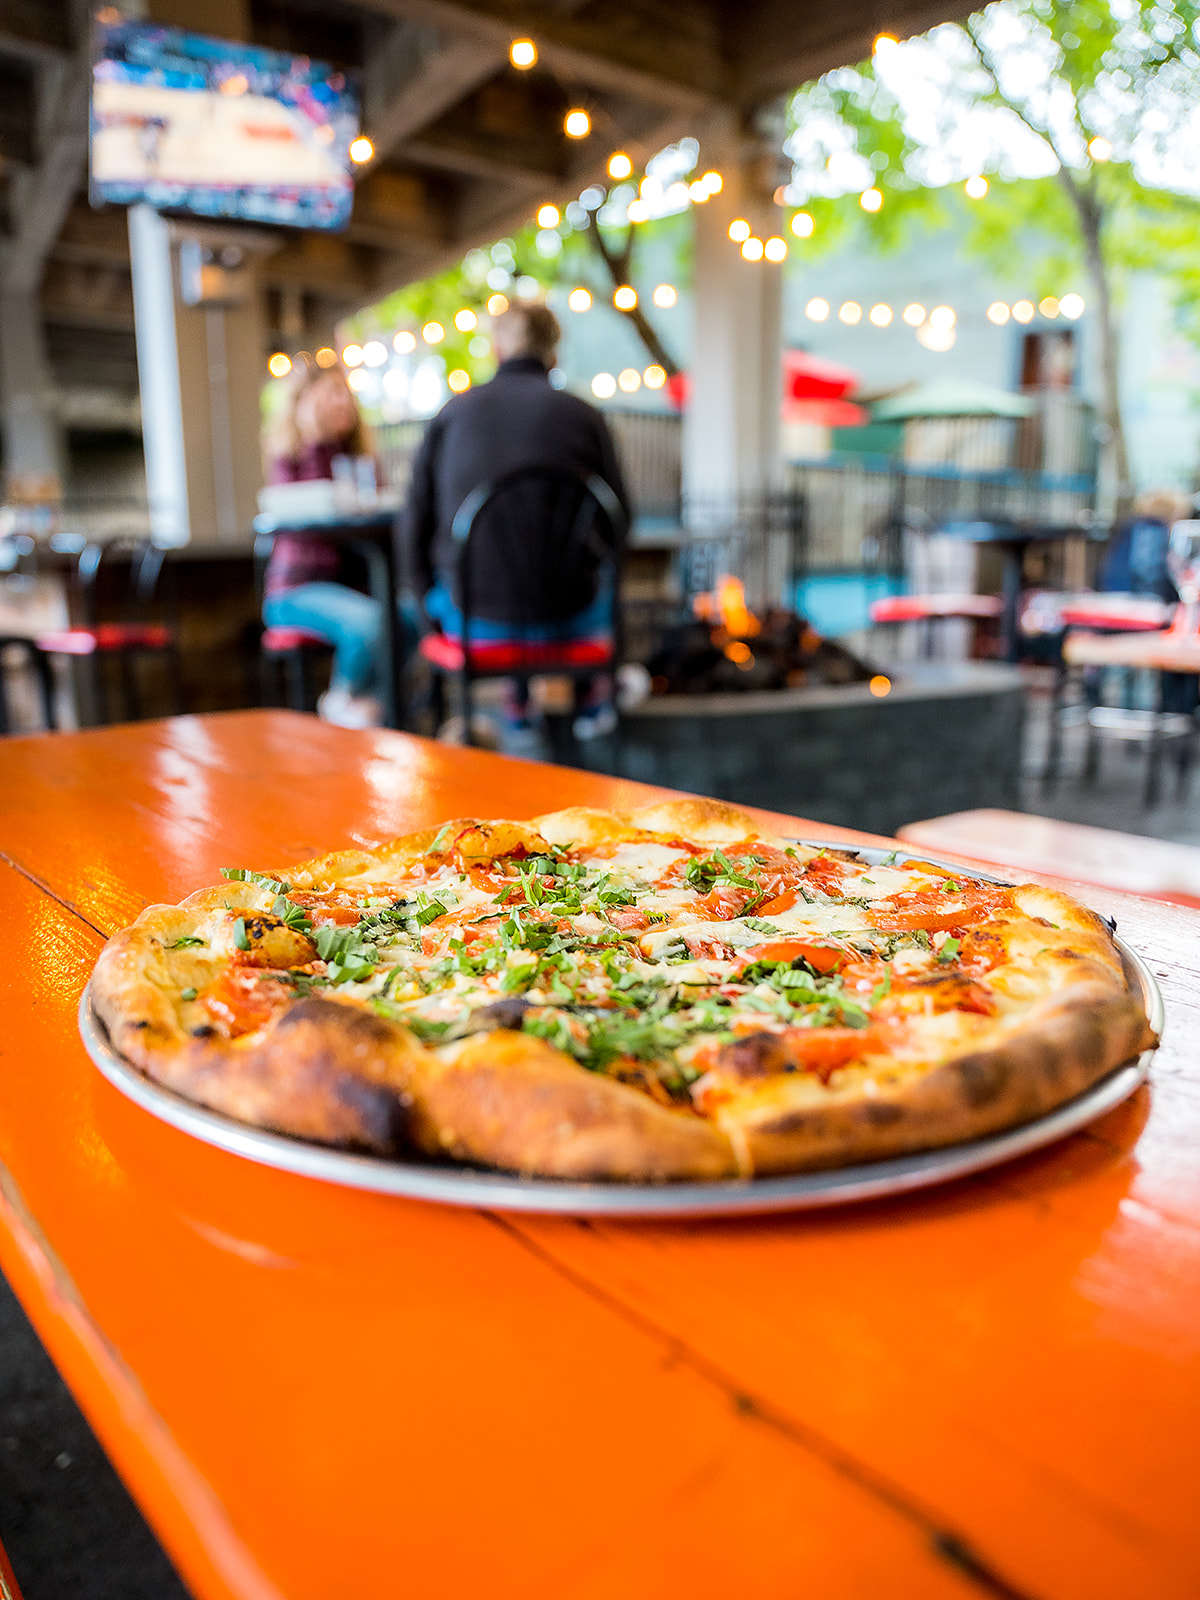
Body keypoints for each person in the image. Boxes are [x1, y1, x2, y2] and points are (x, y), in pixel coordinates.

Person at [400, 302, 631, 740]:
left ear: (497, 349)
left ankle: (517, 705)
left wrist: (426, 607)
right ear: (554, 355)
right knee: (593, 589)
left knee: (439, 595)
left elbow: (413, 525)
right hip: (572, 620)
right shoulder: (586, 417)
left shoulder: (452, 414)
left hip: (475, 624)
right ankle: (589, 701)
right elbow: (620, 522)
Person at [261, 360, 394, 728]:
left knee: (410, 619)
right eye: (333, 393)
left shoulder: (357, 457)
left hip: (351, 590)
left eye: (346, 394)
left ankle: (374, 708)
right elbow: (307, 519)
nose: (343, 403)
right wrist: (316, 438)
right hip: (295, 592)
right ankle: (342, 702)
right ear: (306, 400)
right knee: (370, 623)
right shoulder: (292, 456)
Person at [1100, 488, 1193, 601]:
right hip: (1140, 601)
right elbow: (1149, 576)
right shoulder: (1152, 531)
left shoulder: (1133, 527)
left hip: (1115, 595)